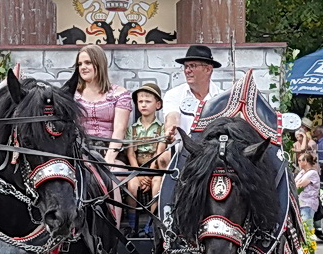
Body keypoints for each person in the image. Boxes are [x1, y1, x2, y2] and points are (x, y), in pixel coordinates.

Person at [64, 44, 130, 164]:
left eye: (88, 62)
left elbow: (120, 129)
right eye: (80, 64)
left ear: (99, 64)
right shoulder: (71, 95)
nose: (83, 67)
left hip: (111, 152)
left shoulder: (120, 94)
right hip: (80, 152)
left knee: (113, 180)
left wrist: (108, 159)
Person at [124, 82, 168, 227]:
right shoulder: (133, 129)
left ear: (158, 104)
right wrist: (139, 174)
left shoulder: (162, 128)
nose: (143, 105)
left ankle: (152, 223)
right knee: (132, 186)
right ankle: (132, 224)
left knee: (157, 184)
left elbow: (159, 152)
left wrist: (149, 175)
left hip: (155, 168)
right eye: (140, 101)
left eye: (148, 101)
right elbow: (131, 154)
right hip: (137, 168)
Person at [163, 45, 228, 138]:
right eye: (185, 66)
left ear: (208, 69)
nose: (187, 71)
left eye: (192, 66)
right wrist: (170, 130)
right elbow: (172, 116)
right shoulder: (174, 94)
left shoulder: (222, 99)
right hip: (182, 150)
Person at [295, 151, 322, 243]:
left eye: (299, 160)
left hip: (308, 203)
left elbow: (299, 186)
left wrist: (297, 184)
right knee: (301, 227)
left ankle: (310, 252)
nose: (298, 162)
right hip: (300, 203)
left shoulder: (312, 173)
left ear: (305, 161)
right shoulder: (302, 172)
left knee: (307, 228)